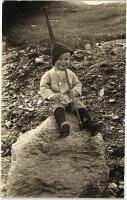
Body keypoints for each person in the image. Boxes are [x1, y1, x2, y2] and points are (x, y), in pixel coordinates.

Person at [40, 42, 101, 137]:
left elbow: (78, 84)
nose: (64, 62)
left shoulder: (70, 74)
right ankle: (63, 125)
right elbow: (44, 87)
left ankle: (89, 123)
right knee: (57, 107)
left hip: (68, 97)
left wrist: (75, 91)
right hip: (56, 99)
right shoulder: (48, 74)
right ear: (54, 60)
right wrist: (51, 95)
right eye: (60, 59)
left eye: (66, 59)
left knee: (78, 105)